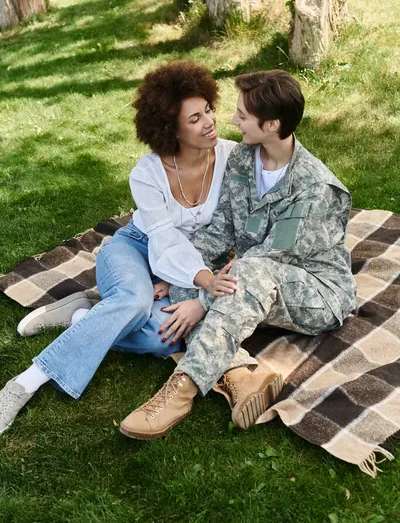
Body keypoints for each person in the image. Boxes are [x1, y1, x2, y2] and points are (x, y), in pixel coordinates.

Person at [1, 62, 278, 438]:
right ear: (171, 128)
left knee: (157, 337)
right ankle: (23, 384)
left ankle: (83, 316)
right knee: (133, 300)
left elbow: (246, 230)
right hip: (137, 248)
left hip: (195, 262)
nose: (210, 122)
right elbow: (162, 240)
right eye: (194, 118)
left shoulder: (234, 159)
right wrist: (190, 278)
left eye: (209, 110)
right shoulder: (146, 173)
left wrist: (198, 295)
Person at [120, 69, 357, 440]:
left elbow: (272, 258)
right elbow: (222, 228)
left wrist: (202, 298)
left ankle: (181, 390)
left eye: (242, 116)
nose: (231, 121)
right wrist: (183, 272)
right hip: (253, 276)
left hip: (316, 291)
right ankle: (242, 377)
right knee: (196, 276)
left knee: (229, 280)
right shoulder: (244, 160)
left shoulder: (317, 188)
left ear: (272, 123)